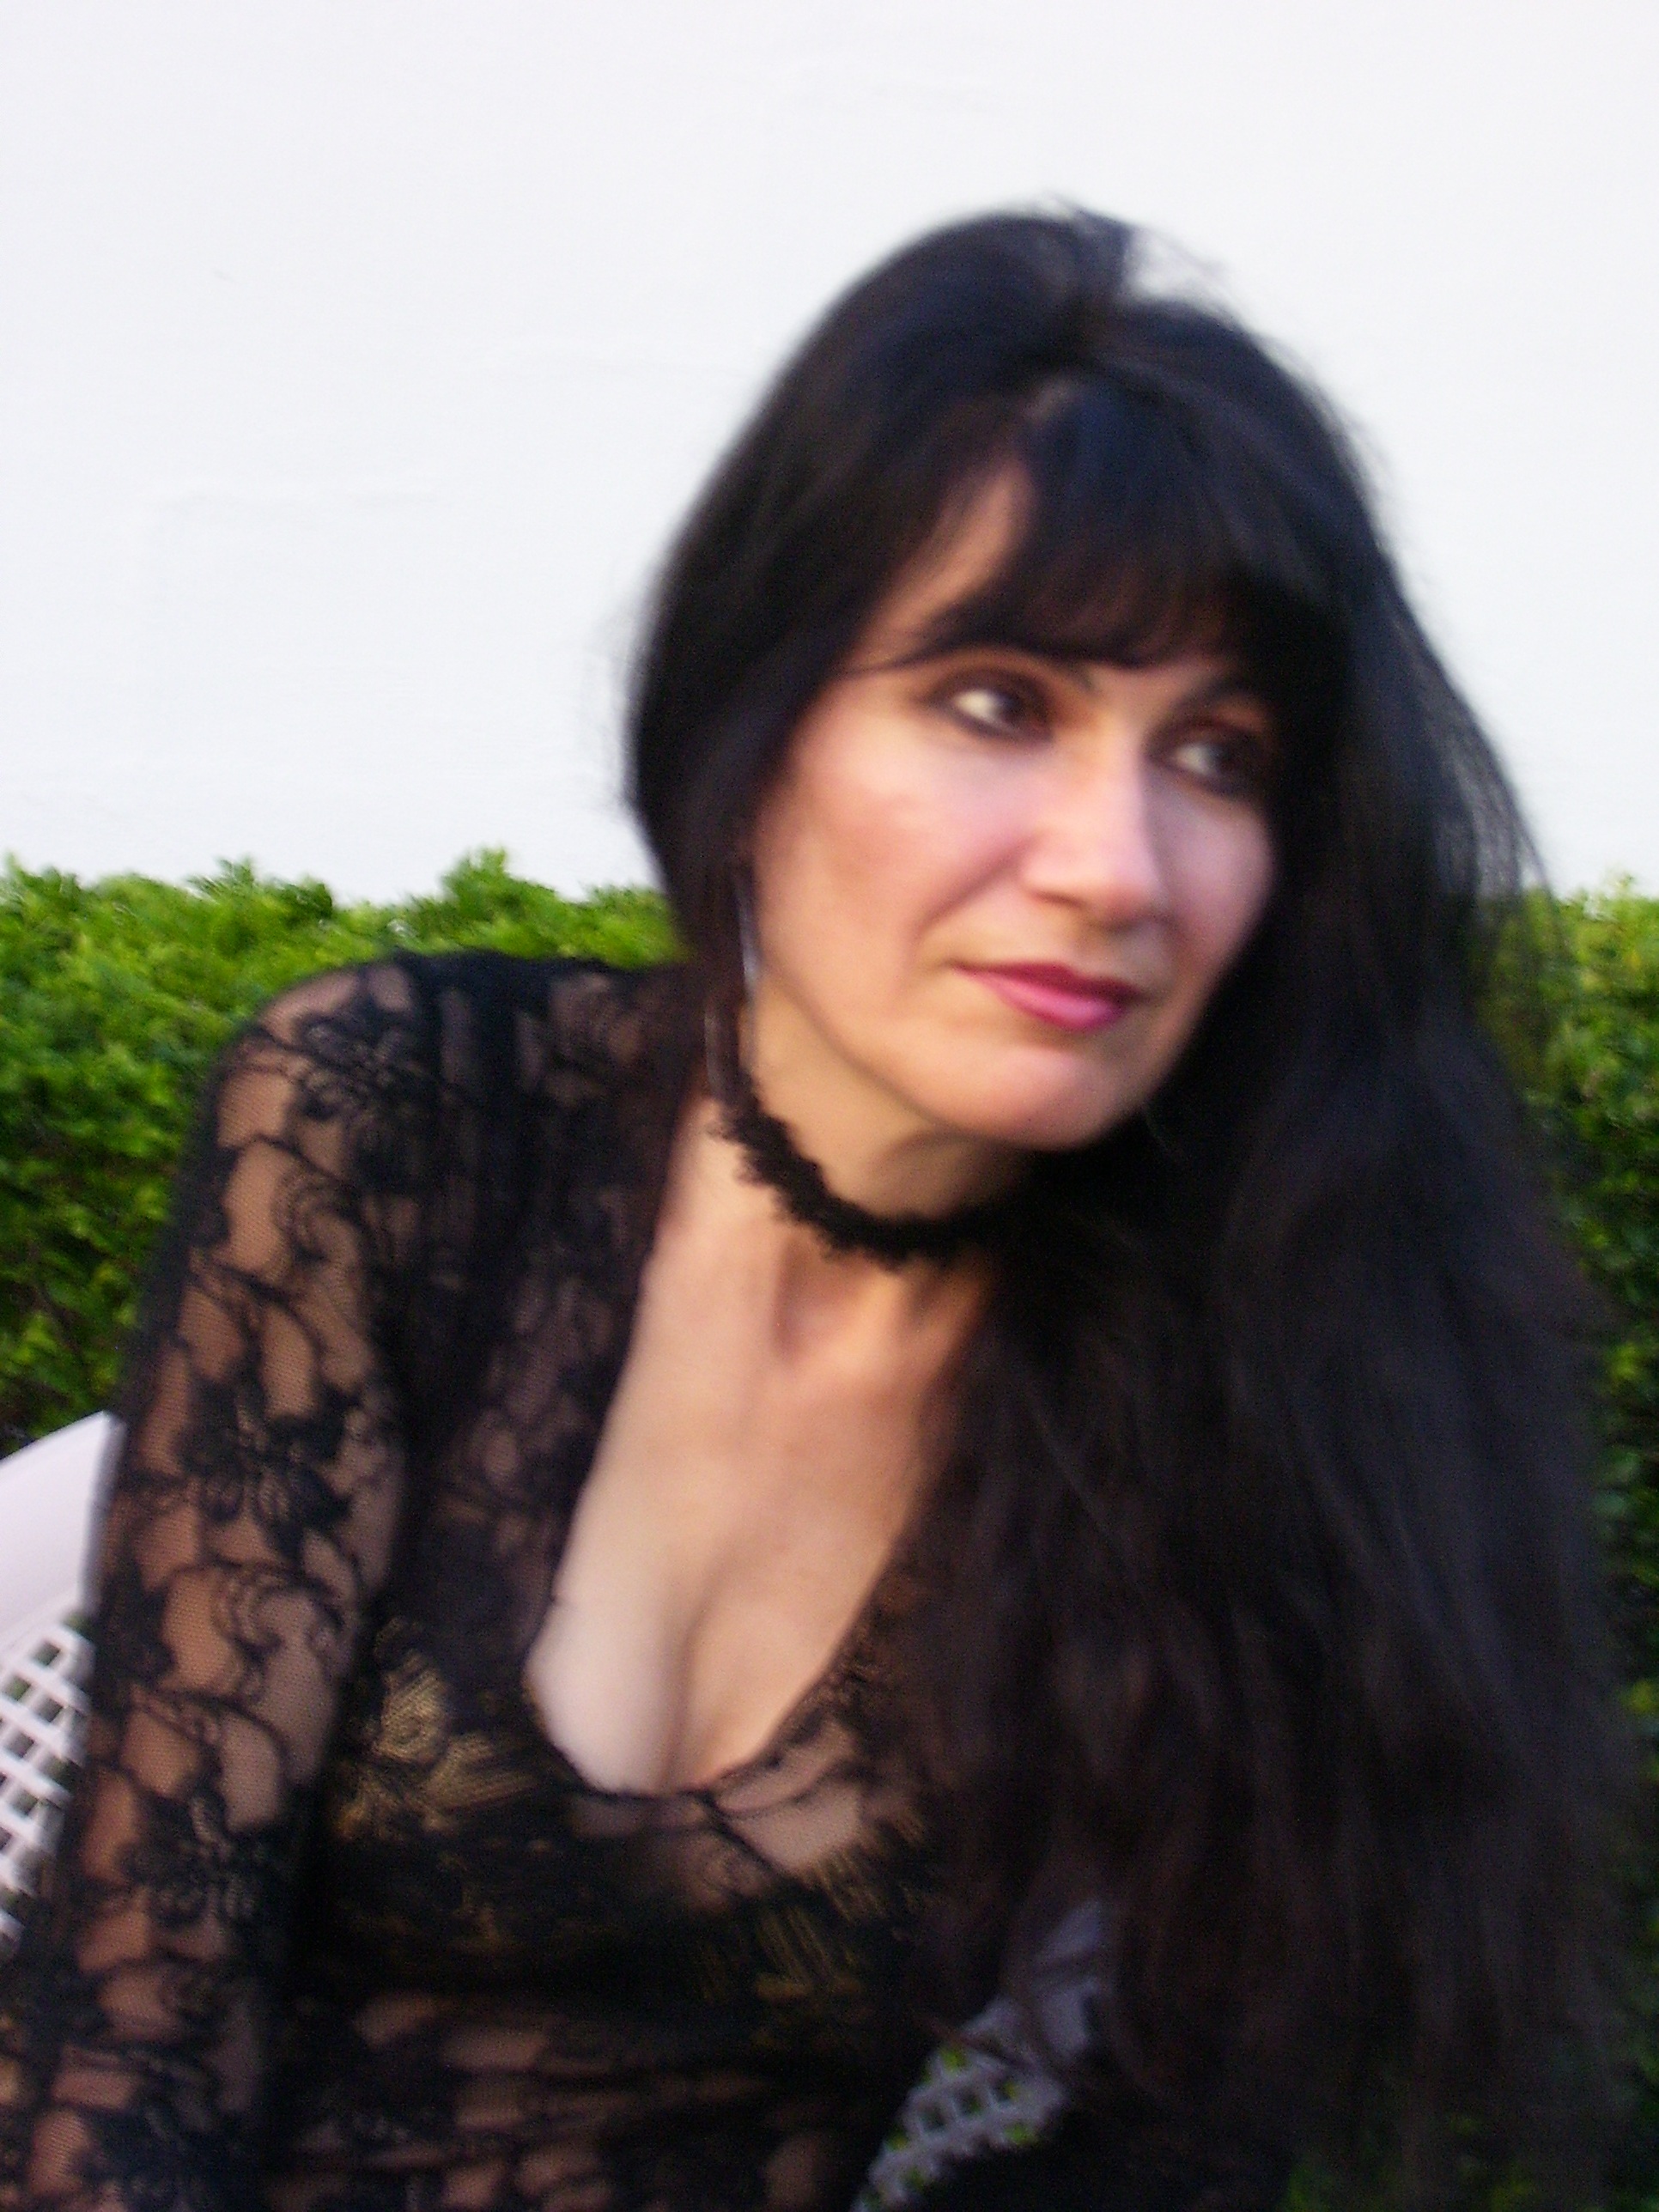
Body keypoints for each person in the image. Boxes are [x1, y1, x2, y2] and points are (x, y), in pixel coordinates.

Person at [0, 210, 1621, 2212]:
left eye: (1220, 755)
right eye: (1001, 702)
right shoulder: (397, 1126)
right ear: (756, 724)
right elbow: (134, 2029)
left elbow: (1176, 2146)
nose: (1117, 865)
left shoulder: (1265, 1363)